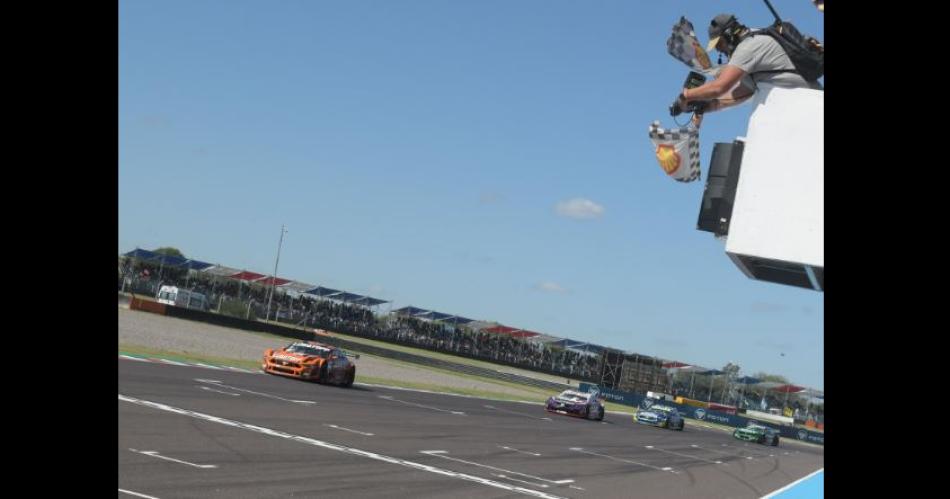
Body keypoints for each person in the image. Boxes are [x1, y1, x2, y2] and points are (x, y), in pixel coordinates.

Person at [677, 13, 822, 126]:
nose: (721, 51)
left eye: (720, 44)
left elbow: (720, 86)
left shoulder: (748, 47)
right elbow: (743, 92)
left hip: (804, 107)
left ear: (729, 34)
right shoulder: (752, 46)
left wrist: (686, 95)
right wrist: (706, 106)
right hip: (800, 107)